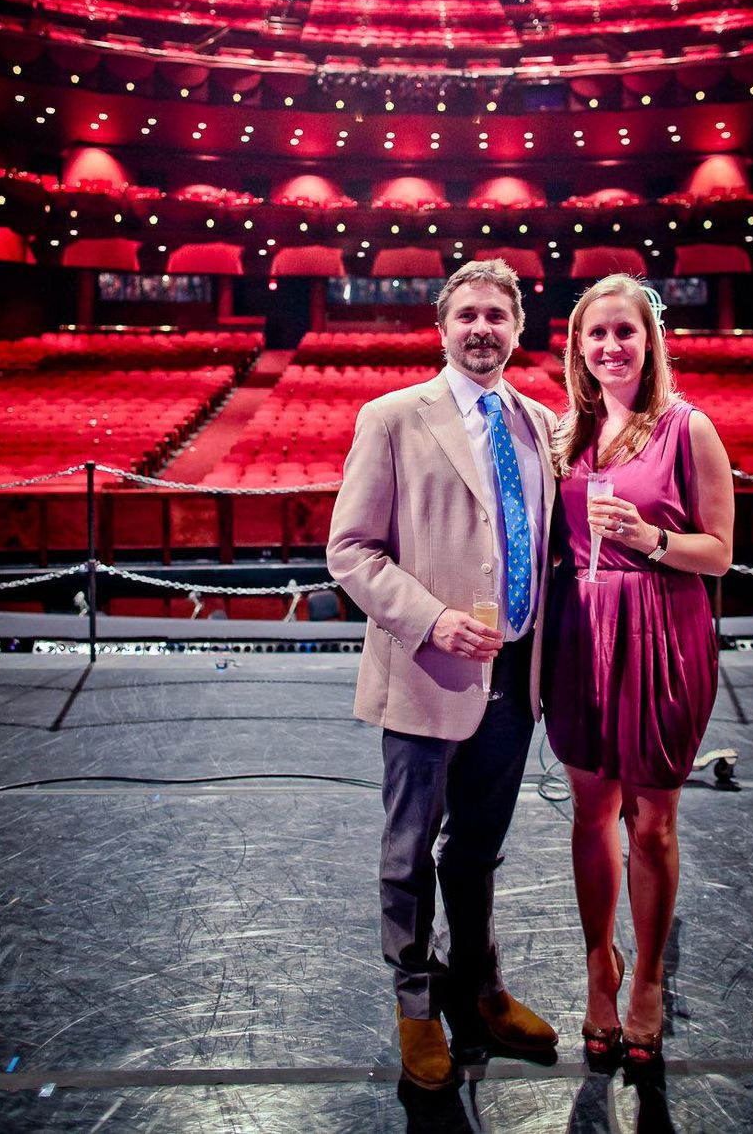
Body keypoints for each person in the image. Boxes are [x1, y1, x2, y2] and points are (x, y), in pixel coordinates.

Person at [327, 258, 558, 1090]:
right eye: (467, 314)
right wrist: (431, 617)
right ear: (441, 325)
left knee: (479, 850)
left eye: (497, 314)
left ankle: (480, 988)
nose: (481, 328)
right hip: (425, 671)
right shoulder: (393, 416)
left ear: (519, 327)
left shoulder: (538, 422)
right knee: (408, 852)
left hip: (515, 678)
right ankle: (417, 1002)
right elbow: (349, 550)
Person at [543, 273, 734, 1066]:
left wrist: (651, 538)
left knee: (651, 822)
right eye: (597, 334)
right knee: (591, 813)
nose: (611, 346)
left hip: (663, 626)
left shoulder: (690, 430)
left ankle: (648, 978)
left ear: (650, 340)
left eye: (625, 331)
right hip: (581, 633)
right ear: (577, 349)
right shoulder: (563, 435)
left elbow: (720, 554)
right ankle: (599, 969)